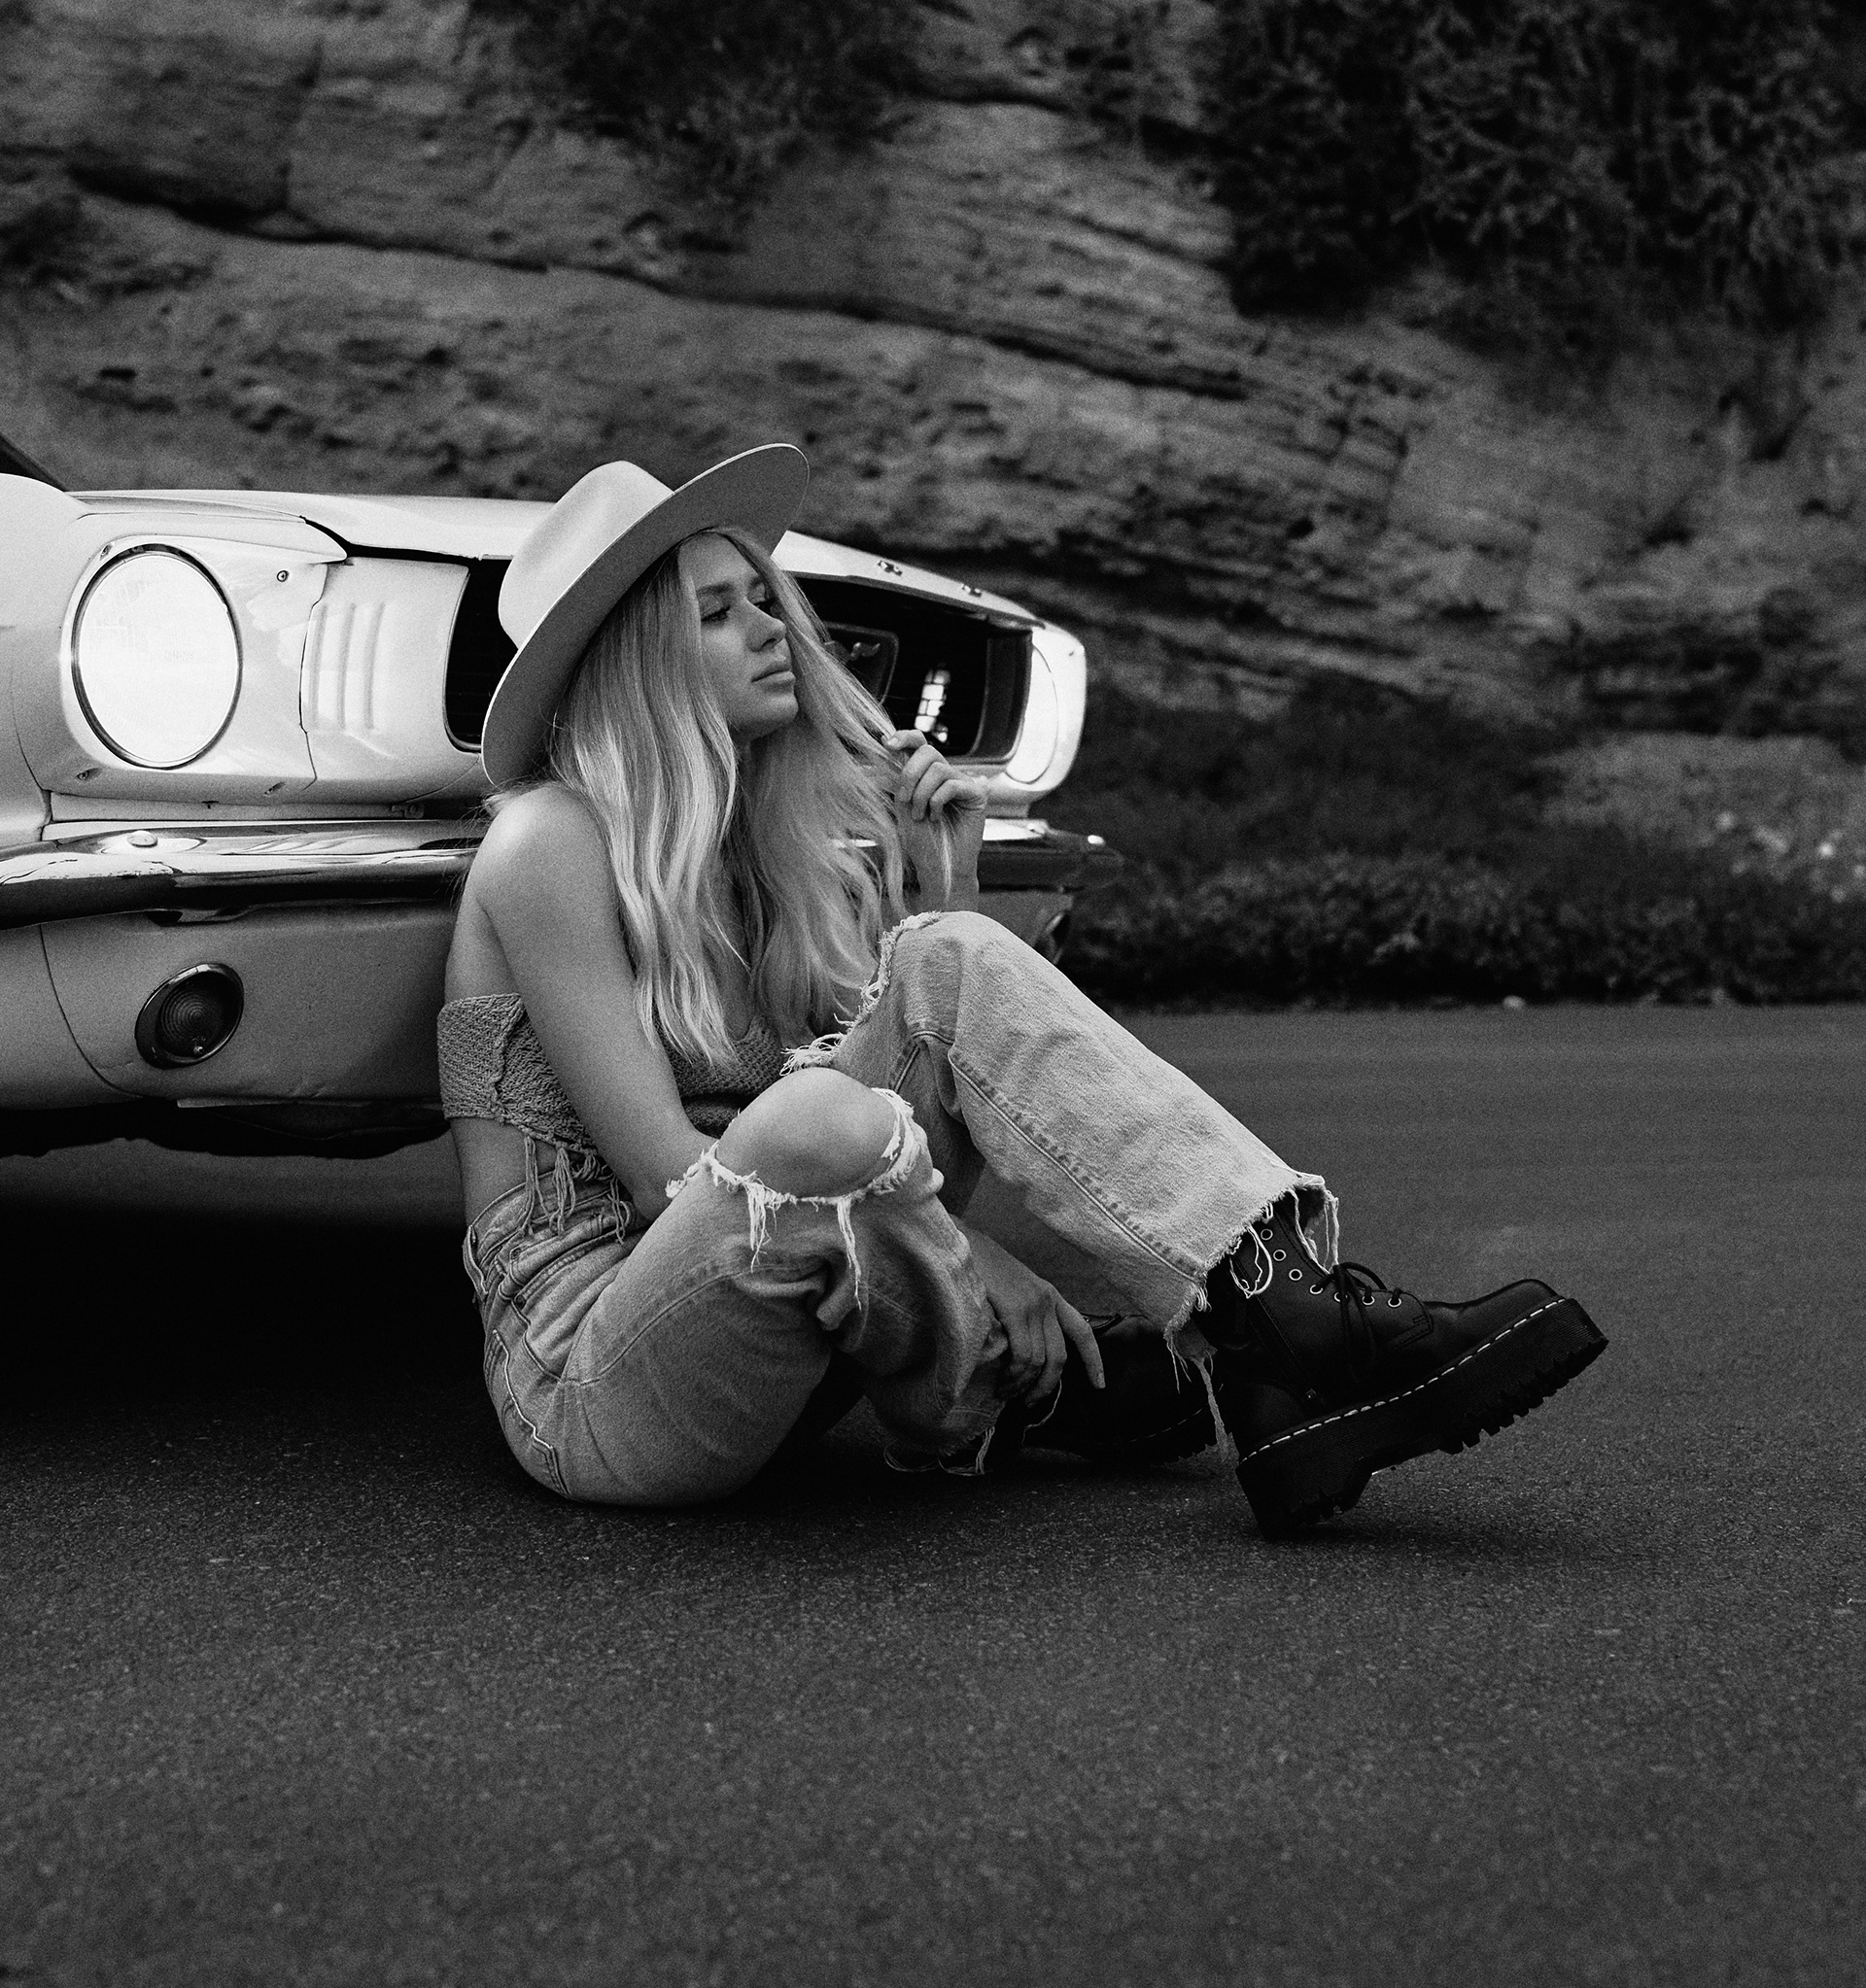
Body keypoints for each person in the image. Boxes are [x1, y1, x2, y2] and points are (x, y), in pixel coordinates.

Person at [440, 446, 1605, 1531]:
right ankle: (1015, 1384)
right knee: (817, 1123)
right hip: (595, 1376)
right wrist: (970, 1254)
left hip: (776, 1329)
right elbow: (674, 1174)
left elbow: (912, 1083)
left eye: (762, 599)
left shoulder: (750, 853)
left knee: (940, 960)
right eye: (715, 612)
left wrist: (942, 885)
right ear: (640, 662)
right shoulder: (549, 841)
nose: (771, 629)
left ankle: (1282, 1320)